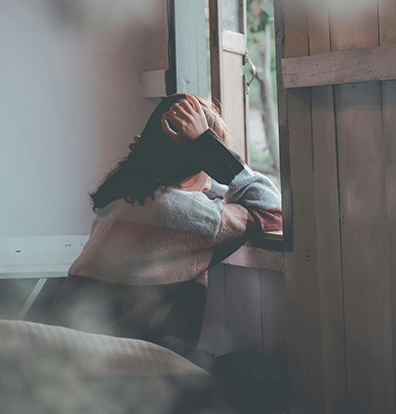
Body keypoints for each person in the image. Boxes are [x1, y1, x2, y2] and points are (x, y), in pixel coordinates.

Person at [46, 93, 282, 360]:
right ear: (200, 163)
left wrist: (181, 160)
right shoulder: (179, 213)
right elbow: (270, 209)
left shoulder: (121, 194)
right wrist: (210, 149)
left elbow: (192, 194)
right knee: (256, 374)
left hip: (64, 349)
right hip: (123, 365)